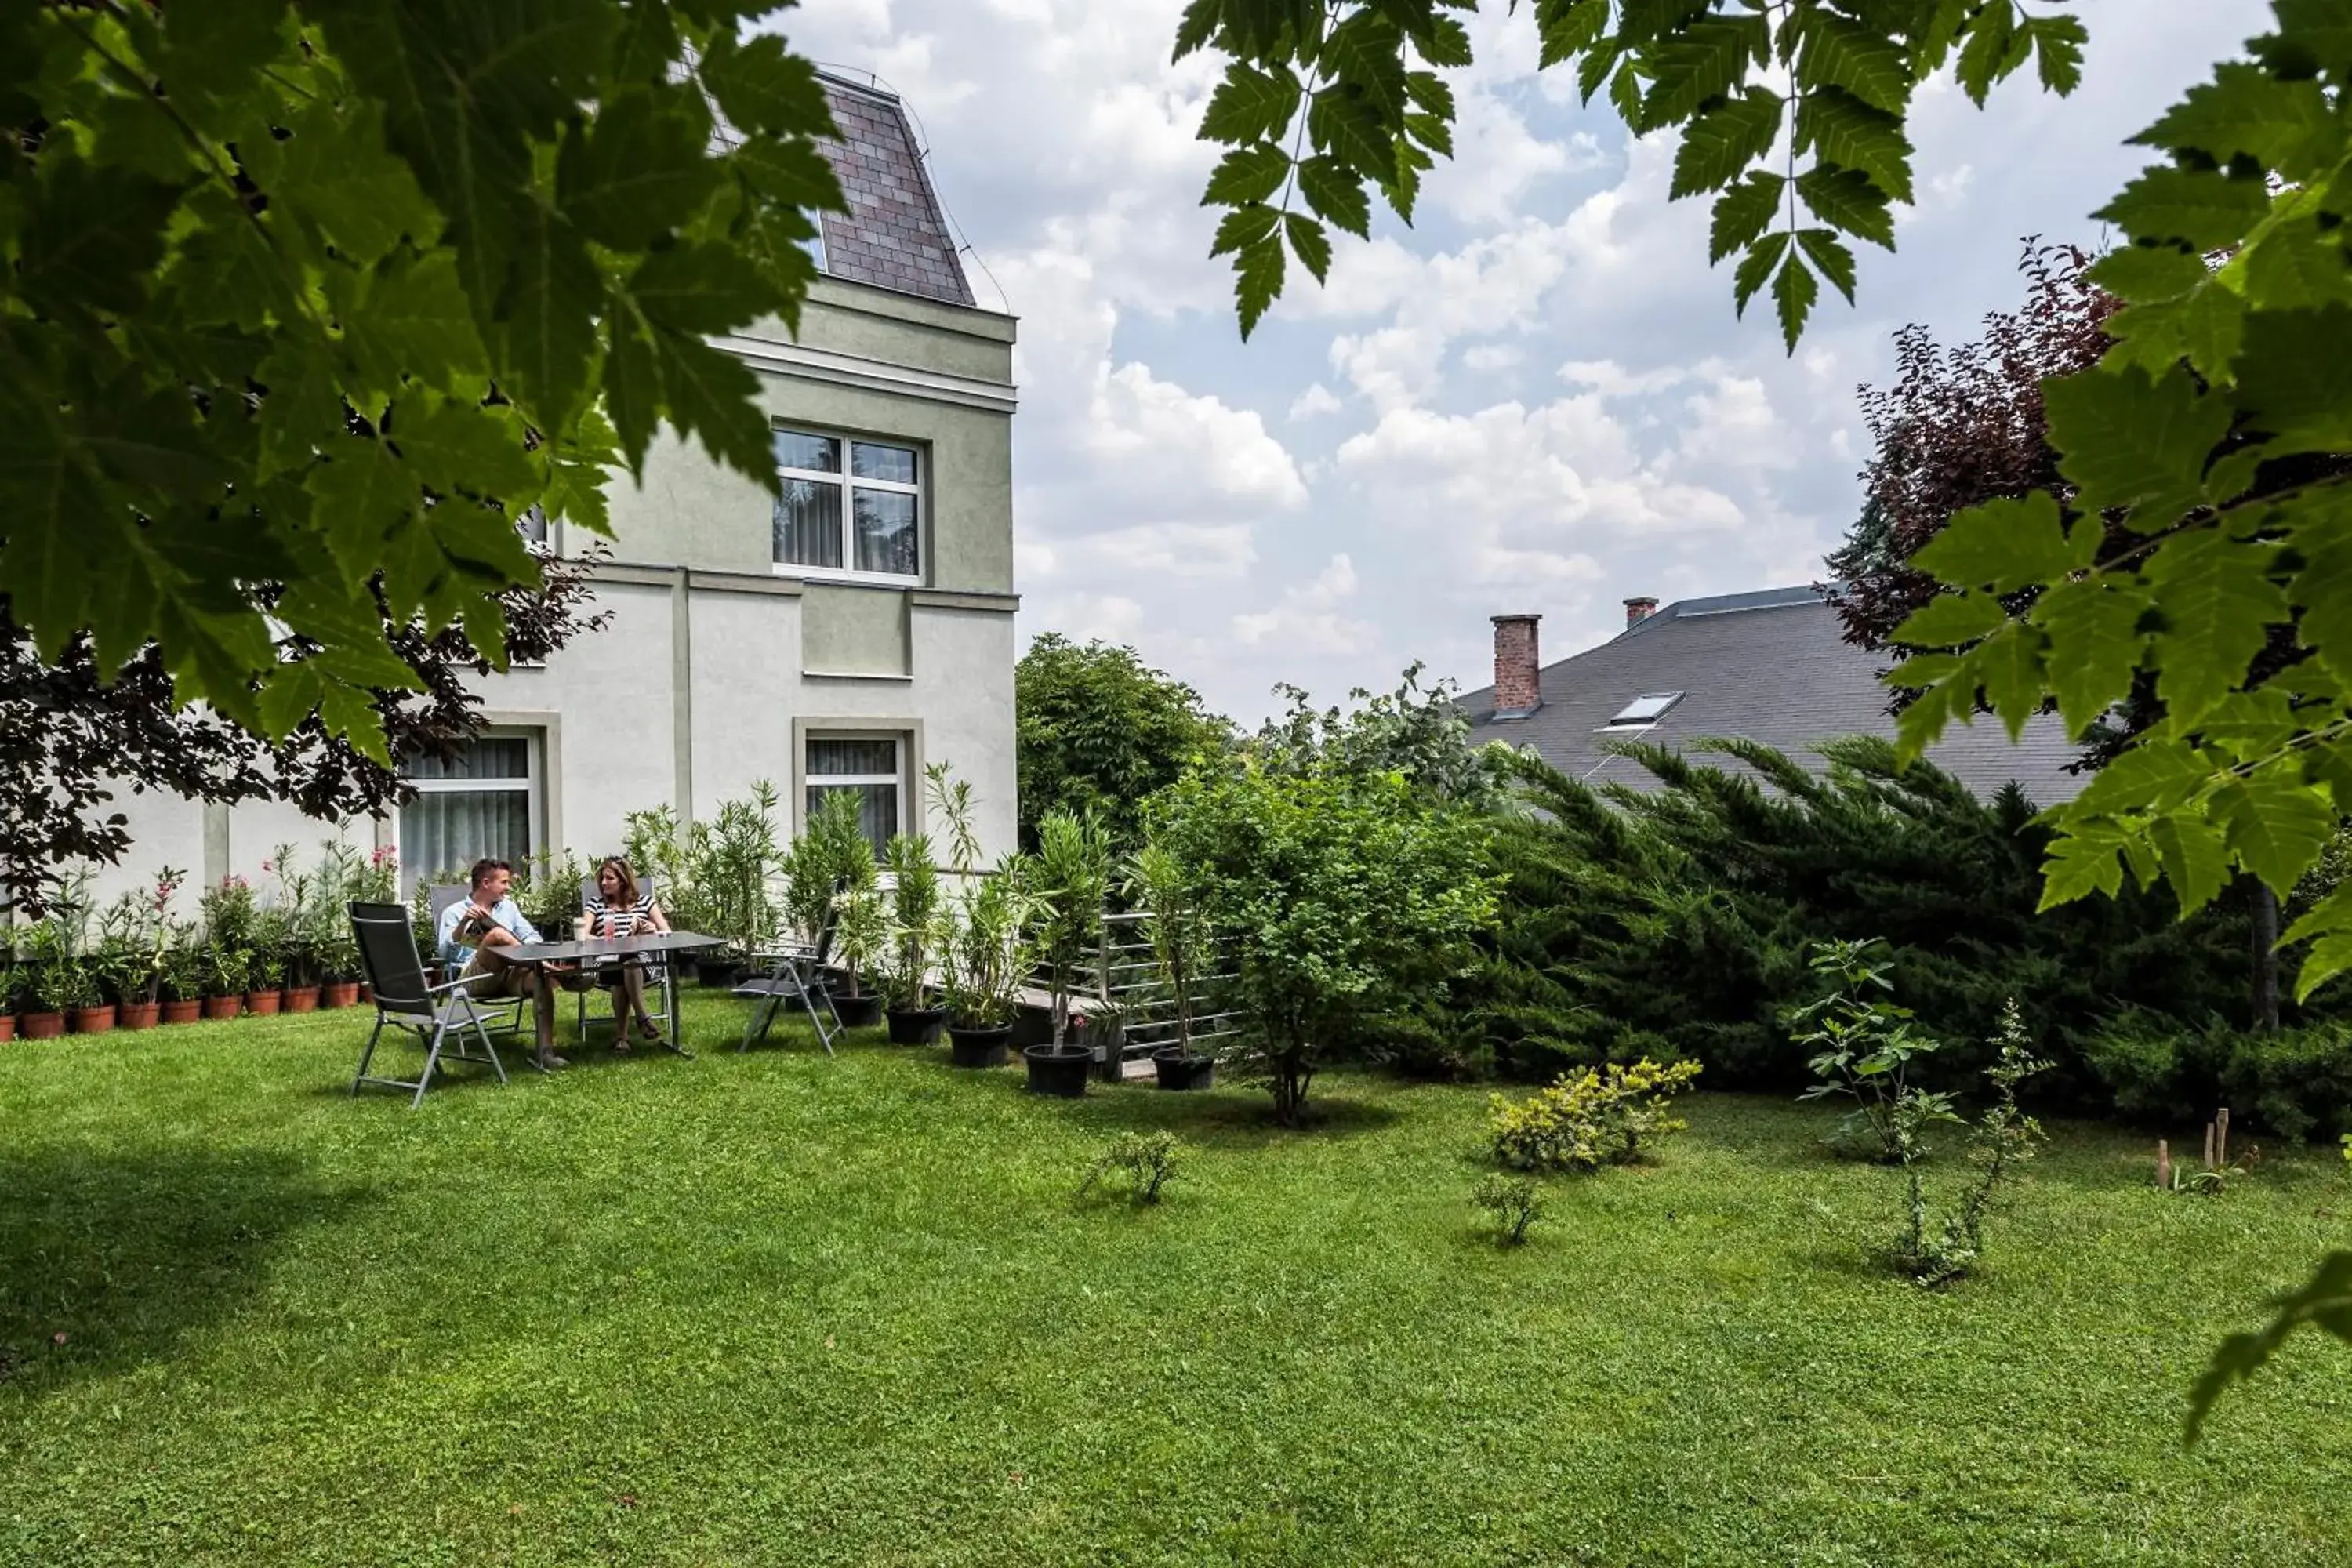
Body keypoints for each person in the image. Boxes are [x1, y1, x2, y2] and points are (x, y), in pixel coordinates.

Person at [436, 858, 565, 1069]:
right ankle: (550, 969)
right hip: (474, 979)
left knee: (538, 979)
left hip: (510, 973)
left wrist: (515, 943)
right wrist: (462, 925)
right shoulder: (454, 912)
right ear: (486, 883)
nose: (508, 888)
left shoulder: (509, 908)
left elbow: (533, 937)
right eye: (504, 882)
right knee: (496, 934)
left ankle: (546, 1052)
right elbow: (445, 955)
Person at [583, 856, 671, 1048]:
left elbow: (667, 934)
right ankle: (642, 1017)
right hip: (606, 962)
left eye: (610, 878)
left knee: (629, 962)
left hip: (642, 965)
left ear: (624, 881)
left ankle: (622, 1038)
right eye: (602, 879)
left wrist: (653, 930)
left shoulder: (646, 903)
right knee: (625, 965)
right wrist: (608, 941)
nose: (603, 883)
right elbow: (583, 935)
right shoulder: (596, 905)